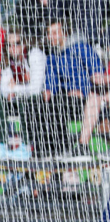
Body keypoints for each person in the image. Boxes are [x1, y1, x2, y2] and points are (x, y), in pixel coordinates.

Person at [34, 19, 103, 158]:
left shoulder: (81, 48)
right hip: (64, 95)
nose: (51, 37)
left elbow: (97, 74)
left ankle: (66, 147)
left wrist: (82, 91)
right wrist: (48, 90)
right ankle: (45, 147)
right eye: (49, 33)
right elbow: (51, 77)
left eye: (55, 33)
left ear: (65, 33)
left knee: (57, 105)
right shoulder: (53, 55)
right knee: (39, 104)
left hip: (83, 96)